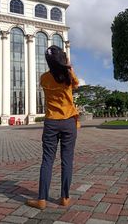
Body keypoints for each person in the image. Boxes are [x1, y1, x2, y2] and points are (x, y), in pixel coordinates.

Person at [26, 45, 80, 209]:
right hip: (69, 121)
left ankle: (41, 199)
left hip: (51, 122)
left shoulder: (43, 78)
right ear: (63, 59)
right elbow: (76, 85)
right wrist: (69, 66)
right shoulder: (69, 77)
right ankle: (65, 197)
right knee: (67, 160)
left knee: (47, 160)